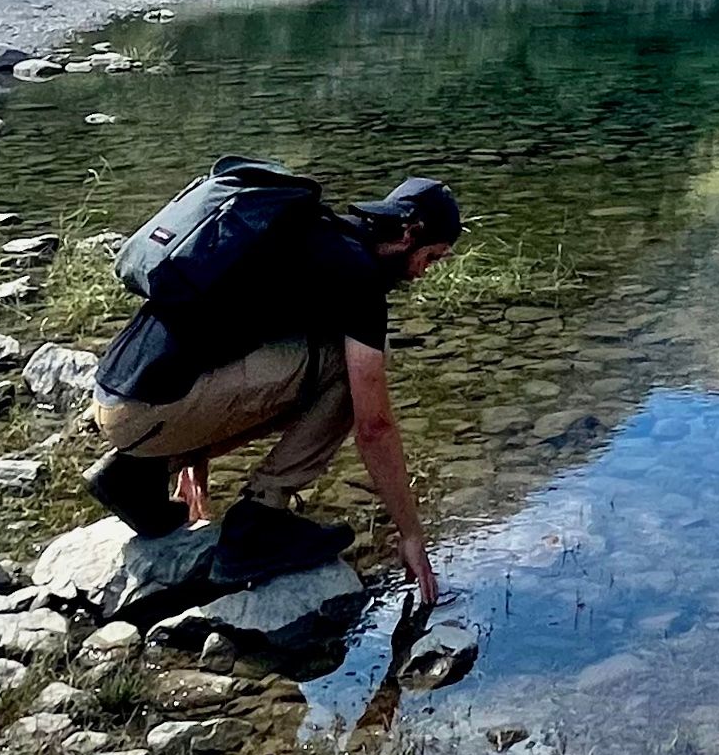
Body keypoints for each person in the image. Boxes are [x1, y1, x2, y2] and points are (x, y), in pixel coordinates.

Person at [85, 174, 458, 604]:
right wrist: (410, 532)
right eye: (430, 258)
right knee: (349, 368)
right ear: (410, 235)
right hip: (149, 413)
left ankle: (136, 474)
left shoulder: (310, 234)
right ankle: (261, 517)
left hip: (118, 398)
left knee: (313, 360)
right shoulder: (358, 276)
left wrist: (194, 459)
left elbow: (210, 328)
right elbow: (374, 425)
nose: (422, 273)